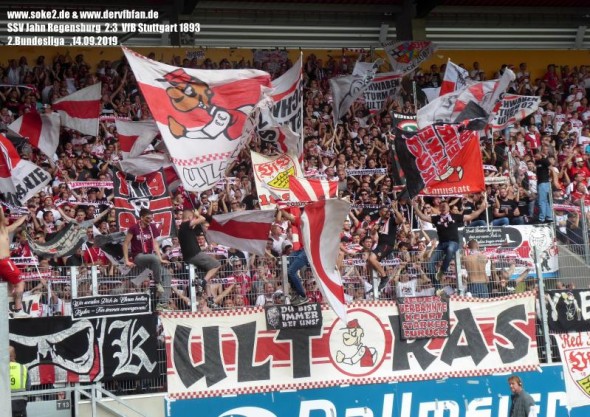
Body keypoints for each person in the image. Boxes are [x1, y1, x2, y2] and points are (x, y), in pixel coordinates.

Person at [412, 199, 487, 284]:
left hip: (453, 243)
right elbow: (423, 217)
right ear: (439, 208)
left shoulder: (455, 216)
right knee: (430, 263)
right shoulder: (436, 218)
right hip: (441, 244)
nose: (443, 207)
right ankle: (437, 285)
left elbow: (470, 217)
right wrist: (415, 207)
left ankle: (442, 270)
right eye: (442, 206)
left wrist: (481, 209)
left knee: (450, 249)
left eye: (445, 206)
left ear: (449, 208)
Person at [122, 208, 171, 311]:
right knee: (154, 258)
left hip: (151, 258)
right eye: (148, 218)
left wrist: (160, 259)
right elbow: (125, 244)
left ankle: (162, 303)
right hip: (138, 257)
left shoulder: (152, 227)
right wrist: (127, 260)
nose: (150, 220)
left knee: (166, 273)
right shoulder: (134, 228)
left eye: (151, 218)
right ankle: (157, 283)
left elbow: (155, 244)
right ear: (142, 217)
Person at [178, 209, 221, 295]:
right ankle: (203, 282)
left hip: (190, 256)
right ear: (189, 217)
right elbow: (202, 219)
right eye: (192, 218)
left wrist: (204, 249)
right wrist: (197, 215)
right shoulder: (185, 224)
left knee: (206, 272)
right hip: (195, 255)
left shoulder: (182, 229)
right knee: (216, 265)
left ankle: (208, 296)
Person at [0, 207, 29, 318]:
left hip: (3, 262)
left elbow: (17, 223)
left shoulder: (5, 230)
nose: (8, 218)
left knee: (8, 287)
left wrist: (26, 215)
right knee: (20, 283)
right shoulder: (1, 229)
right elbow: (1, 216)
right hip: (4, 261)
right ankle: (18, 310)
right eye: (6, 216)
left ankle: (5, 311)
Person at [9, 345, 30, 417]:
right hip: (20, 402)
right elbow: (28, 386)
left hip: (3, 403)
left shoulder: (1, 368)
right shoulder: (23, 368)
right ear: (14, 355)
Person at [534, 150, 553, 223]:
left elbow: (551, 169)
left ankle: (541, 218)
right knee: (545, 201)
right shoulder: (537, 162)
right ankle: (549, 217)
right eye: (535, 156)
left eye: (536, 156)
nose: (535, 157)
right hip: (540, 182)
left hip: (544, 182)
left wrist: (550, 177)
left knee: (541, 201)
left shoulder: (544, 161)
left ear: (540, 154)